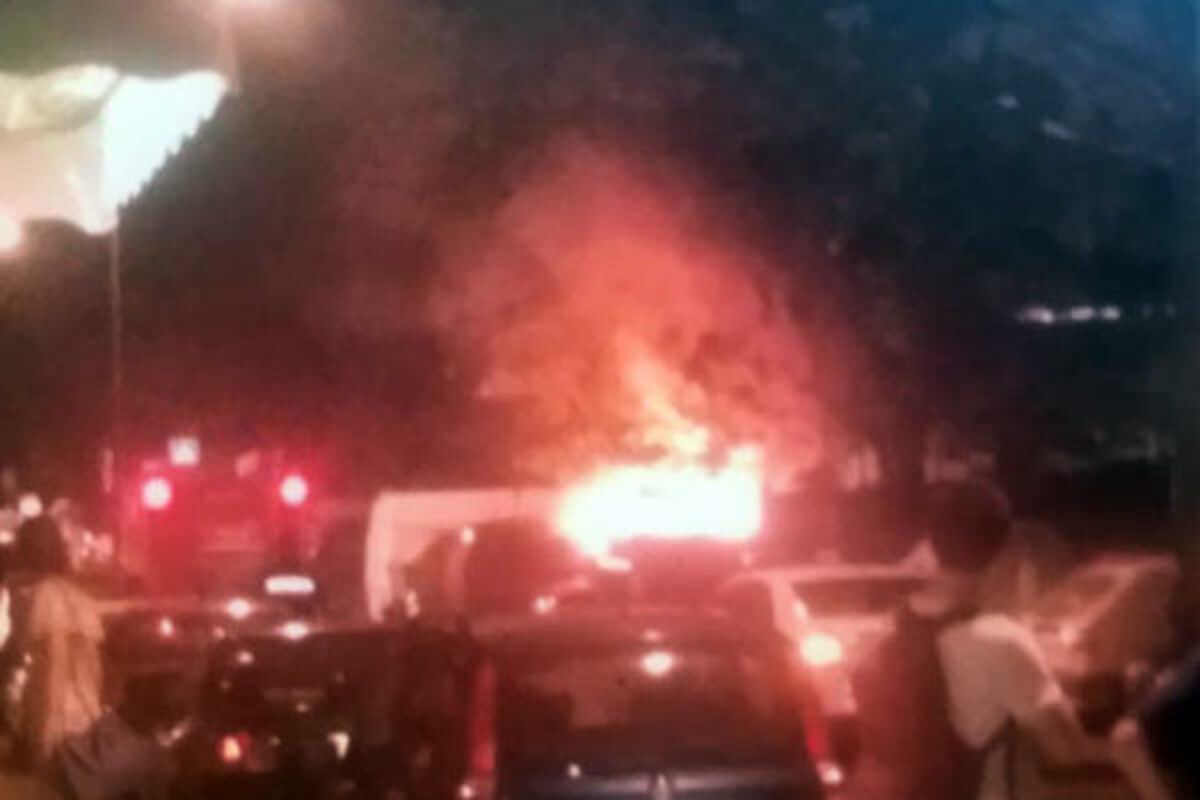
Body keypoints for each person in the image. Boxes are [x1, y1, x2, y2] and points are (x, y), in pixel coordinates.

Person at [852, 480, 1166, 800]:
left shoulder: (888, 633)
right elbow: (1067, 749)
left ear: (931, 544)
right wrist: (1124, 740)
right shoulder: (999, 640)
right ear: (1002, 552)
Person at [14, 515, 104, 769]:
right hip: (86, 713)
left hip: (59, 718)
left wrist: (46, 726)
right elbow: (93, 666)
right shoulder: (77, 596)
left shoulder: (45, 597)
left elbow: (55, 663)